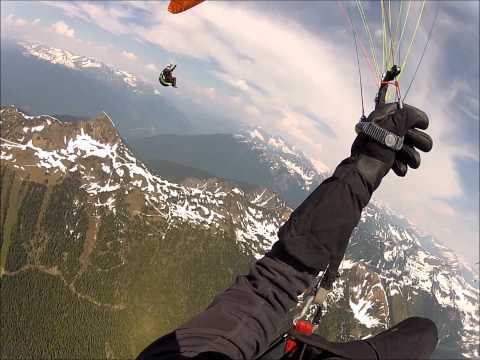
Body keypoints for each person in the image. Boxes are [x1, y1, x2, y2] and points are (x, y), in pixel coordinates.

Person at [138, 99, 436, 360]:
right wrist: (362, 174)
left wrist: (362, 172)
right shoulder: (189, 351)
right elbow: (272, 290)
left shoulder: (188, 351)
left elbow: (270, 289)